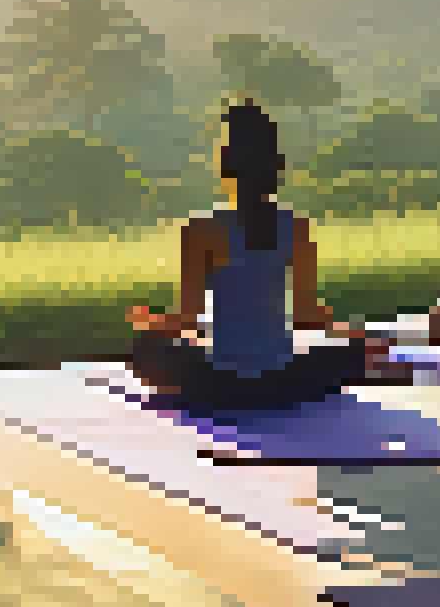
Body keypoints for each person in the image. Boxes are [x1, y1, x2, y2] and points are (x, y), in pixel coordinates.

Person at [125, 101, 387, 410]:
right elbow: (305, 313)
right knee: (349, 353)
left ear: (225, 164)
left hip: (220, 384)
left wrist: (150, 322)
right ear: (276, 165)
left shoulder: (199, 229)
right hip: (284, 382)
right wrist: (350, 331)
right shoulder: (297, 227)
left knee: (146, 348)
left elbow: (187, 318)